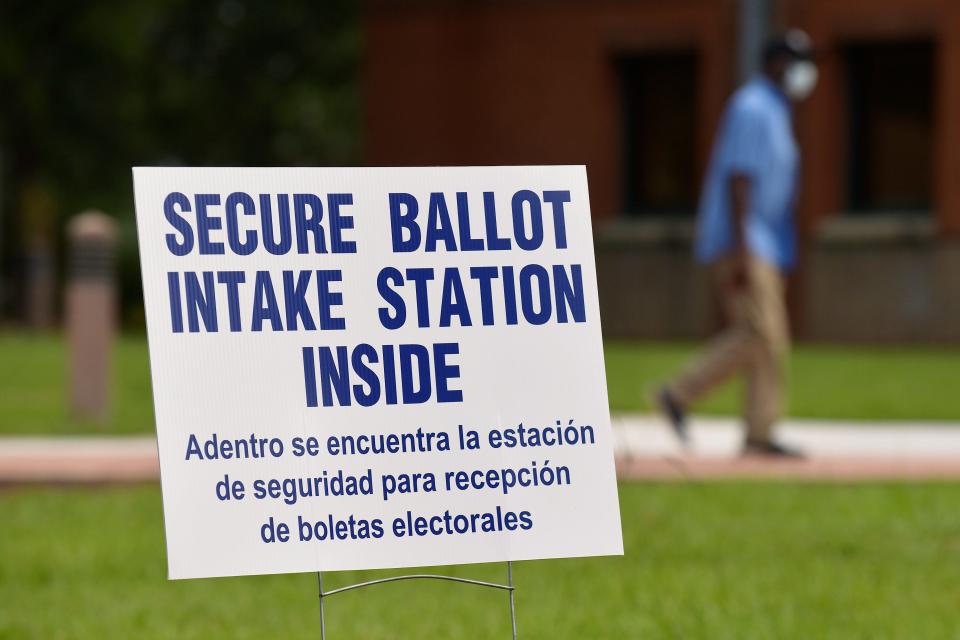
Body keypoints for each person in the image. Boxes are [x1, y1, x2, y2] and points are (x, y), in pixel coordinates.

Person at [655, 30, 818, 457]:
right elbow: (739, 179)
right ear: (774, 62)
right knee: (761, 334)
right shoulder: (752, 107)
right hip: (742, 241)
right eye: (796, 60)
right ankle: (679, 393)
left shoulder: (778, 110)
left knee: (767, 338)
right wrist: (745, 251)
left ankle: (759, 432)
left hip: (764, 242)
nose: (804, 70)